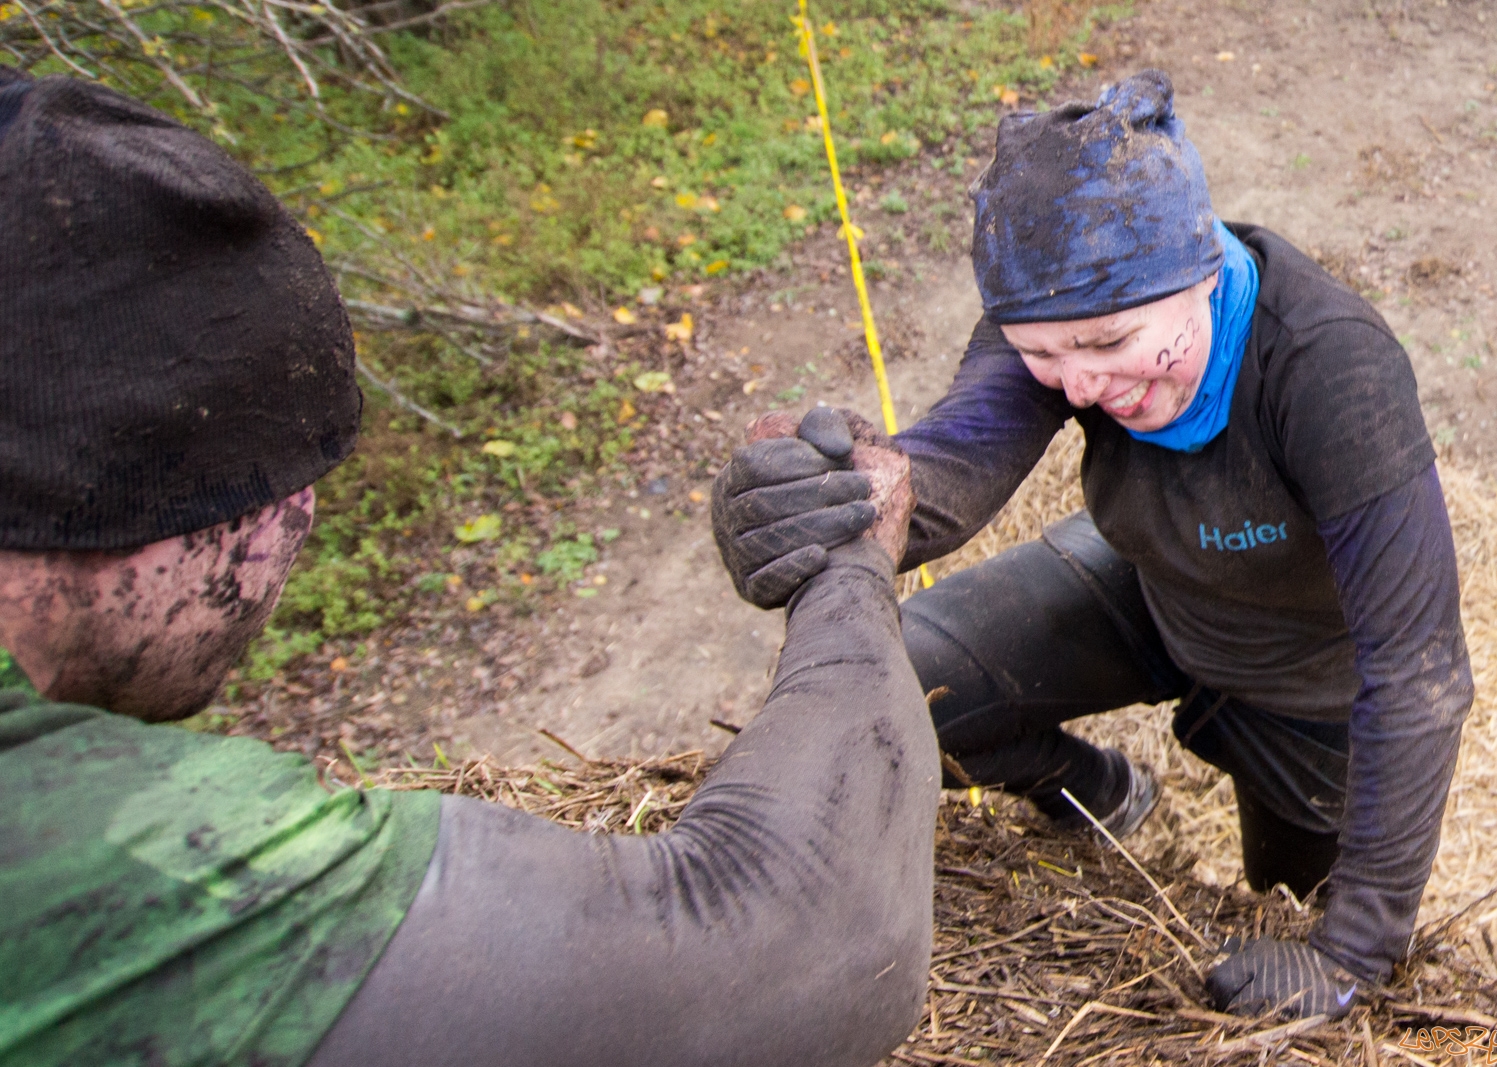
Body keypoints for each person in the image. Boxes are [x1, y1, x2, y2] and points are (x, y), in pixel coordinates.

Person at [0, 68, 938, 1067]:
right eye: (281, 479)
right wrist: (849, 561)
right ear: (122, 493)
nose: (304, 517)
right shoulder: (80, 839)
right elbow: (795, 941)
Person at [712, 70, 1474, 1020]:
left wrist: (1352, 951)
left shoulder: (1332, 371)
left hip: (1305, 682)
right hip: (1148, 584)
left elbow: (1418, 669)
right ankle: (1092, 788)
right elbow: (943, 476)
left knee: (1285, 897)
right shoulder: (1059, 307)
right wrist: (827, 505)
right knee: (902, 687)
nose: (1078, 387)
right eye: (1041, 355)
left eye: (1111, 344)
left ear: (1203, 271)